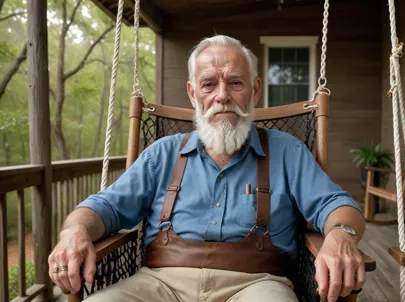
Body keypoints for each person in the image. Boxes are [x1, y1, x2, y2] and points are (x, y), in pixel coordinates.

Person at [48, 34, 366, 302]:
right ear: (193, 94)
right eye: (209, 84)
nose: (222, 96)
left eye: (235, 83)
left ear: (255, 90)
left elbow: (337, 205)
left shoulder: (288, 152)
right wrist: (74, 232)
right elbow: (103, 207)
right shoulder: (162, 154)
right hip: (160, 286)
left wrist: (341, 236)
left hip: (256, 286)